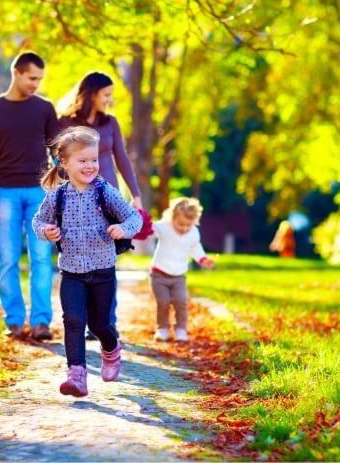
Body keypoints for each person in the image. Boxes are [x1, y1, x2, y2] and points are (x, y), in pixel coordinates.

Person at [32, 126, 142, 397]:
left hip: (102, 270)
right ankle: (77, 375)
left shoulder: (105, 192)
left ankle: (111, 348)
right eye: (83, 161)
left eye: (94, 159)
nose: (91, 165)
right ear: (65, 164)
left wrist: (123, 229)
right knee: (73, 320)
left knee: (99, 324)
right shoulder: (56, 196)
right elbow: (38, 221)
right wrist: (46, 231)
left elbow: (134, 217)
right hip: (71, 272)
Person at [0, 51, 58, 341]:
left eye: (40, 79)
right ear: (17, 73)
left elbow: (57, 152)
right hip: (4, 194)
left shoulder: (44, 109)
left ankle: (42, 322)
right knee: (7, 259)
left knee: (42, 258)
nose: (36, 84)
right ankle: (15, 321)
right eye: (32, 78)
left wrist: (60, 190)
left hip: (39, 195)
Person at [58, 71, 142, 339]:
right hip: (77, 200)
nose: (109, 100)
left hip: (108, 200)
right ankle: (82, 320)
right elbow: (59, 161)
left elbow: (122, 159)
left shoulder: (111, 123)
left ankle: (106, 322)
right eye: (106, 95)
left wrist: (135, 194)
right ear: (91, 93)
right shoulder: (67, 122)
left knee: (106, 262)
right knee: (79, 262)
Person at [150, 197, 215, 343]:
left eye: (188, 225)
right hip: (159, 274)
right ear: (172, 217)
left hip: (179, 276)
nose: (184, 228)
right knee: (163, 302)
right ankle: (163, 329)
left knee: (181, 301)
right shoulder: (163, 227)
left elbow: (196, 248)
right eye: (180, 224)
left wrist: (203, 260)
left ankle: (181, 329)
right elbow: (149, 230)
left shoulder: (193, 233)